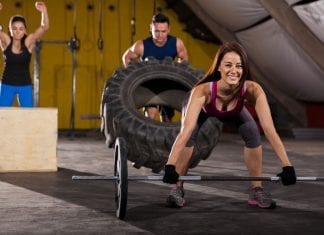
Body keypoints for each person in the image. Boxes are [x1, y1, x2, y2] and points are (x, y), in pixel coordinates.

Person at [162, 41, 296, 209]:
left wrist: (287, 165)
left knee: (252, 132)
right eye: (228, 65)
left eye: (239, 66)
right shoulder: (202, 91)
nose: (234, 70)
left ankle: (256, 189)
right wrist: (170, 166)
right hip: (203, 108)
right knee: (190, 136)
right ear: (219, 67)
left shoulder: (253, 90)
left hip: (234, 108)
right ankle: (177, 188)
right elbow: (185, 131)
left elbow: (269, 130)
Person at [122, 13, 188, 122]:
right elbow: (126, 58)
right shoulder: (141, 45)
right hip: (149, 85)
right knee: (151, 117)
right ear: (151, 28)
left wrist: (177, 76)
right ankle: (147, 137)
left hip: (167, 84)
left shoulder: (177, 43)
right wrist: (136, 75)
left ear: (169, 30)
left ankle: (165, 138)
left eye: (163, 31)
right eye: (156, 31)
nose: (160, 35)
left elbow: (184, 60)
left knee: (167, 119)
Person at [0, 1, 49, 107]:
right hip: (7, 84)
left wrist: (44, 11)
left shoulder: (28, 42)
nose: (18, 31)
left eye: (21, 29)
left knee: (28, 117)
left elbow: (44, 27)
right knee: (1, 115)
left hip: (25, 85)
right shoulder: (6, 41)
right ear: (10, 29)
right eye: (14, 28)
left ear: (25, 31)